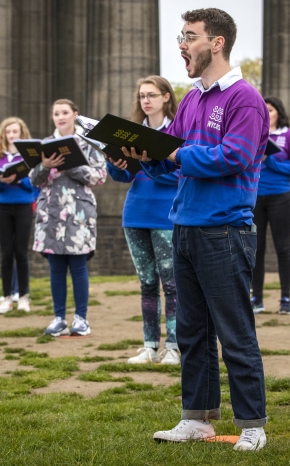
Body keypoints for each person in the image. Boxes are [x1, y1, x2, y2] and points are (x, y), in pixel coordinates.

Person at [134, 8, 268, 452]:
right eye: (181, 35)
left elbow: (235, 156)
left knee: (235, 333)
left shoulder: (244, 98)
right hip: (185, 228)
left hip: (225, 232)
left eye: (189, 36)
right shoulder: (191, 98)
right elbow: (169, 155)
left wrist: (173, 156)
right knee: (191, 333)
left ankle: (252, 425)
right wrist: (142, 155)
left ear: (216, 43)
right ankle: (198, 419)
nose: (181, 44)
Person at [108, 75, 180, 366]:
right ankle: (150, 346)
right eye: (141, 96)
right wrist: (116, 164)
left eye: (151, 94)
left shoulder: (176, 131)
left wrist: (152, 162)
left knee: (172, 285)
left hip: (166, 214)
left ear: (166, 97)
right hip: (135, 213)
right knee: (147, 284)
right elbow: (125, 176)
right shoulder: (132, 133)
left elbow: (180, 173)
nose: (145, 100)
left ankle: (174, 347)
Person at [30, 99, 106, 337]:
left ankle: (81, 319)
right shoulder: (45, 145)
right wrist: (44, 166)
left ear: (75, 114)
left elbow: (100, 176)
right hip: (50, 213)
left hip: (79, 213)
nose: (60, 117)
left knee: (78, 266)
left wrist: (72, 167)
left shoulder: (88, 143)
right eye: (56, 113)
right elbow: (34, 180)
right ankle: (59, 318)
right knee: (55, 269)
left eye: (65, 112)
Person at [250, 97, 290, 315]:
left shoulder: (289, 136)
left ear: (278, 113)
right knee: (256, 250)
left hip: (280, 198)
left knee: (283, 248)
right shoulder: (252, 133)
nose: (266, 113)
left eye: (269, 110)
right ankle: (257, 299)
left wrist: (269, 160)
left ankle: (285, 299)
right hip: (255, 198)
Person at [0, 116, 39, 314]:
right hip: (2, 207)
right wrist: (2, 180)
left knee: (21, 252)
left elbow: (36, 185)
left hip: (23, 207)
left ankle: (24, 296)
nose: (11, 135)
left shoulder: (29, 157)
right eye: (8, 132)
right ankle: (7, 297)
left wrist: (19, 180)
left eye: (15, 132)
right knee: (6, 253)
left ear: (21, 134)